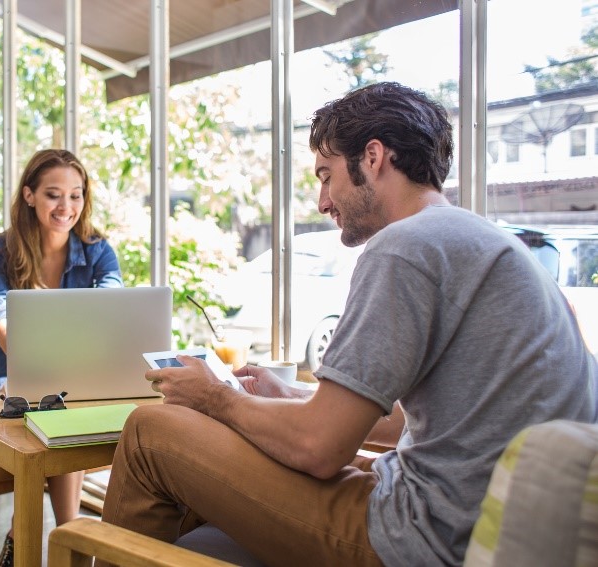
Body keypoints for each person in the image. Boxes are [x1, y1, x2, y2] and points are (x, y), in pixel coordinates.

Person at [99, 82, 598, 567]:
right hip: (471, 510)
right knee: (229, 432)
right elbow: (422, 422)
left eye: (325, 174)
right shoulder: (487, 242)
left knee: (151, 431)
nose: (322, 201)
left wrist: (217, 397)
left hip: (426, 538)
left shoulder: (407, 247)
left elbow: (321, 447)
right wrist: (289, 398)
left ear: (374, 157)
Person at [0, 148, 123, 566]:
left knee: (62, 405)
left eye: (76, 195)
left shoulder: (98, 251)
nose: (67, 207)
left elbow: (110, 314)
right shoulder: (1, 251)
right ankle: (71, 543)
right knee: (57, 410)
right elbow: (1, 321)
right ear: (29, 195)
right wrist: (34, 368)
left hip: (78, 374)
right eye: (53, 195)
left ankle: (26, 536)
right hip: (15, 372)